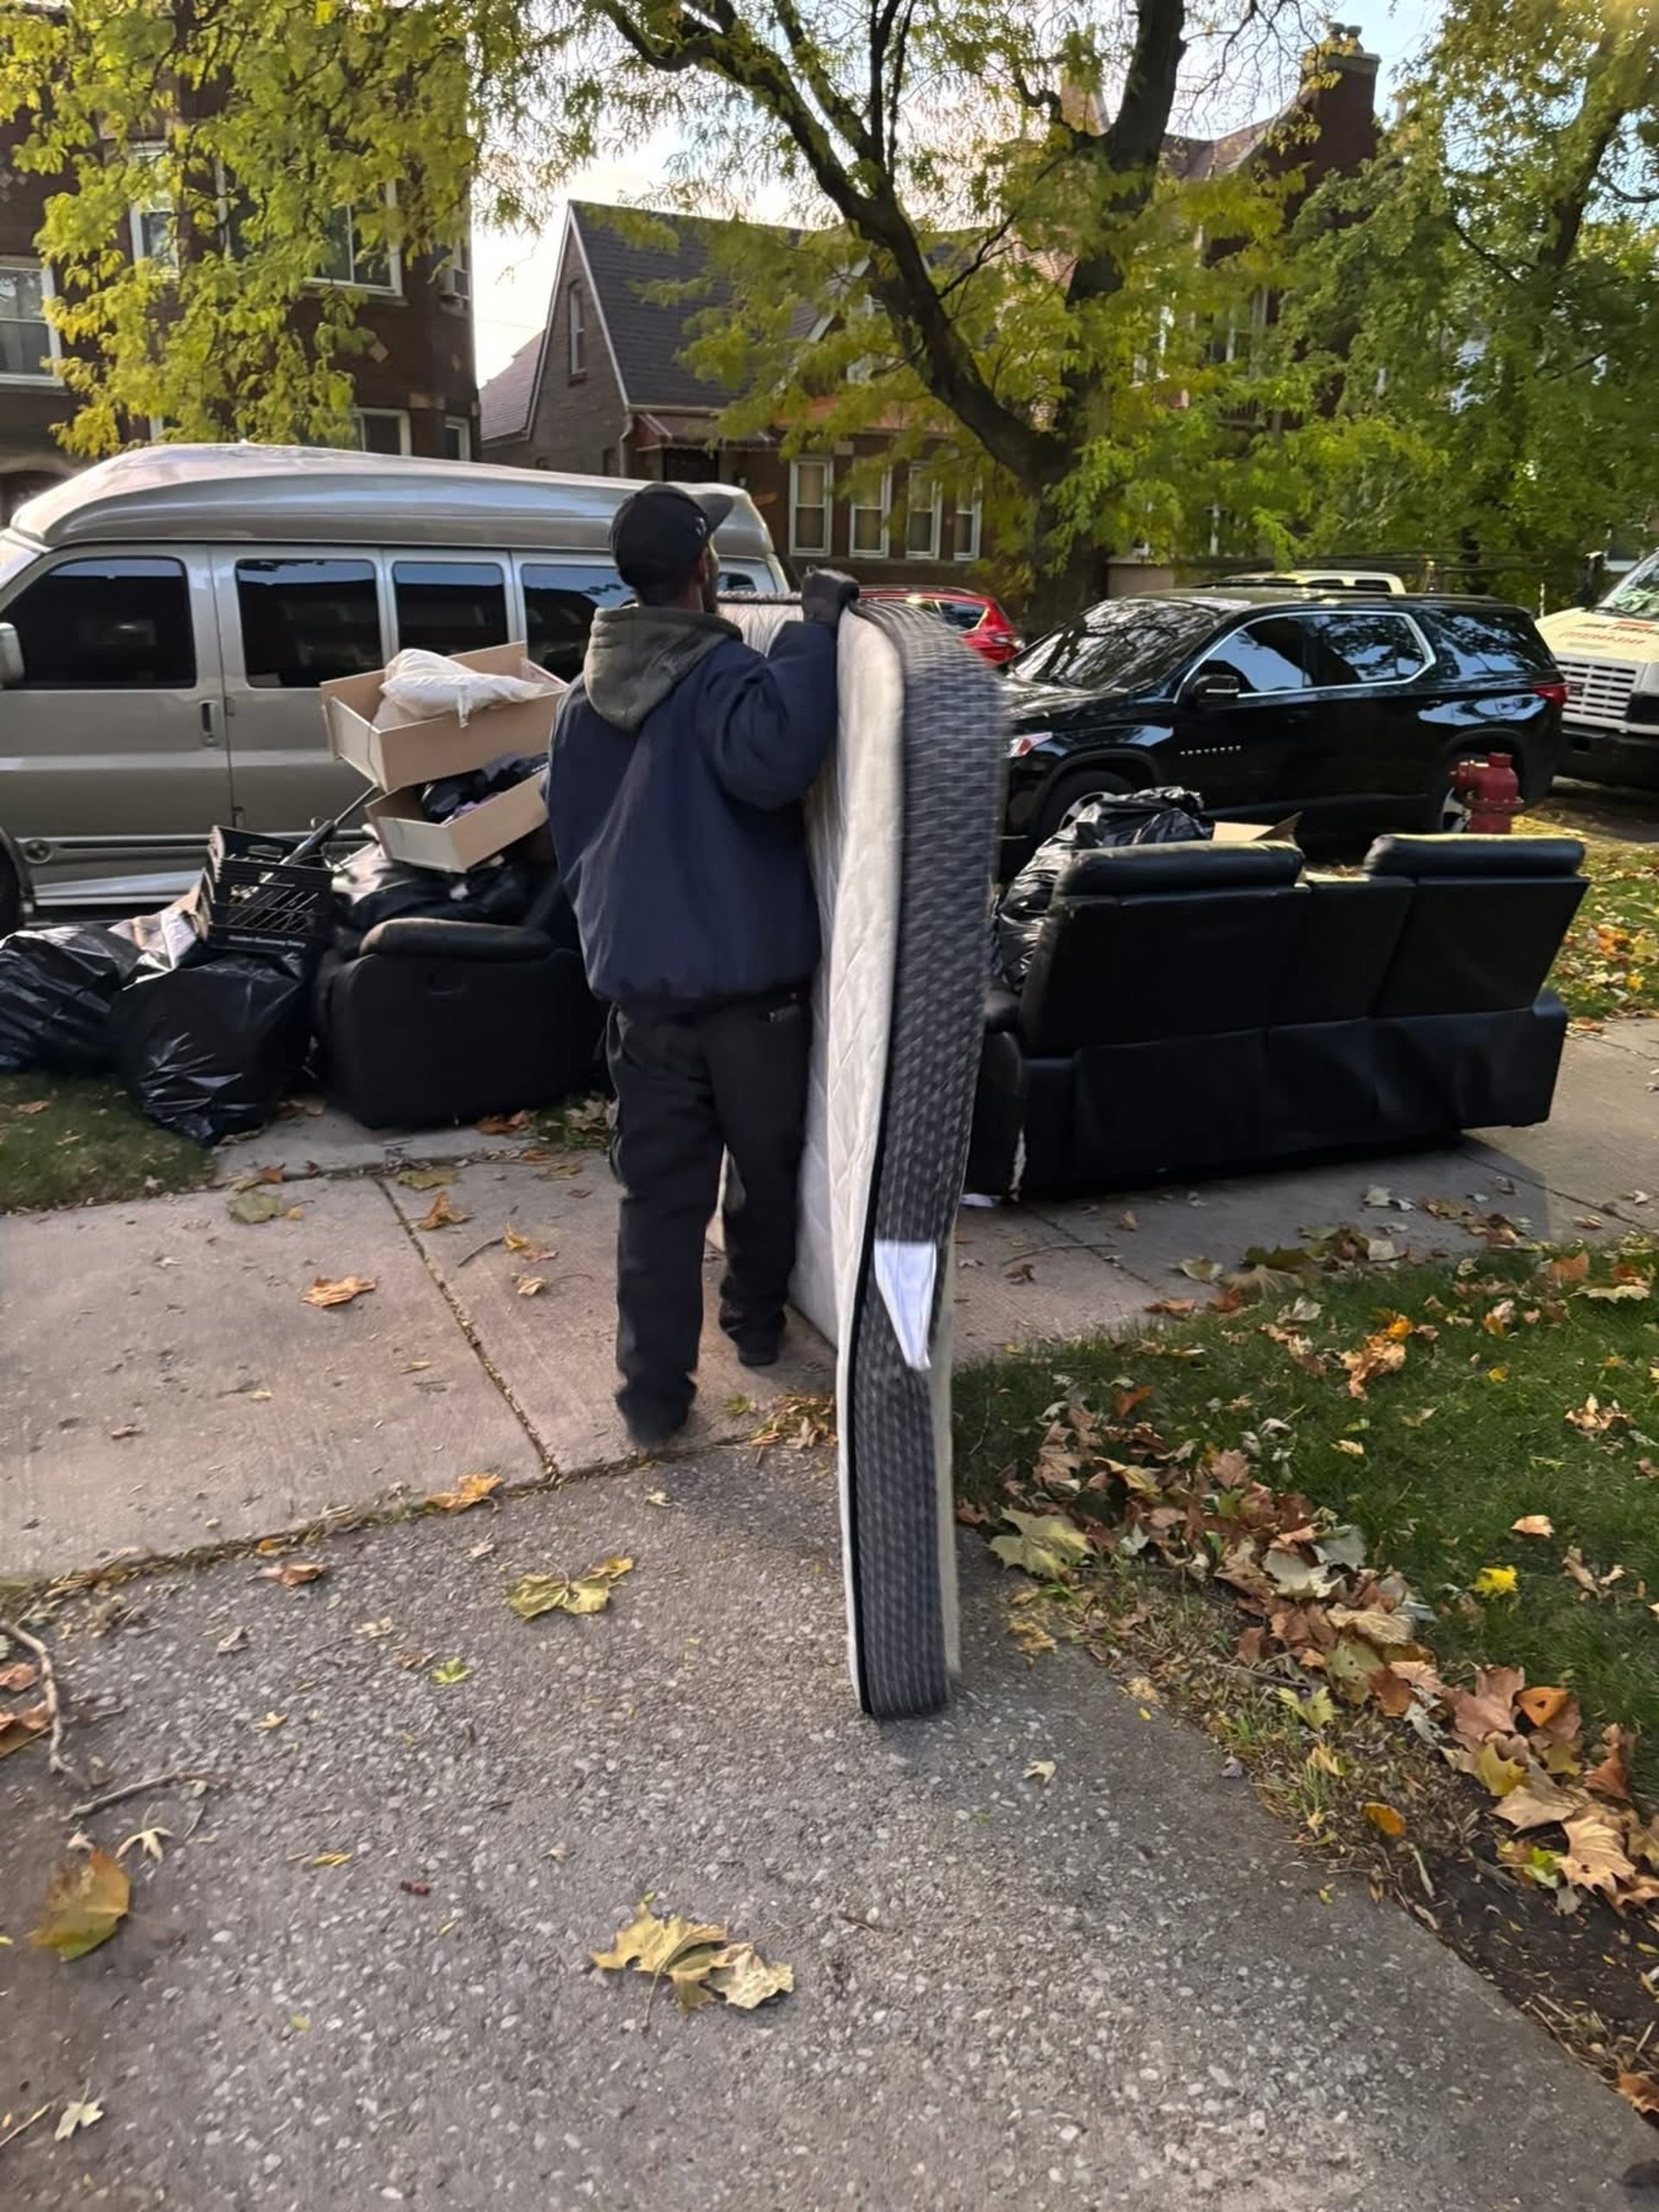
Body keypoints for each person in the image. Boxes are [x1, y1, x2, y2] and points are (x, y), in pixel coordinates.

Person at [546, 480, 857, 1446]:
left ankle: (650, 1398)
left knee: (659, 1200)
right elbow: (778, 760)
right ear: (701, 572)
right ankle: (754, 1328)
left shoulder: (581, 699)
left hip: (643, 1001)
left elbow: (570, 836)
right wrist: (812, 631)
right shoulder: (717, 678)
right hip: (746, 999)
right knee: (761, 1177)